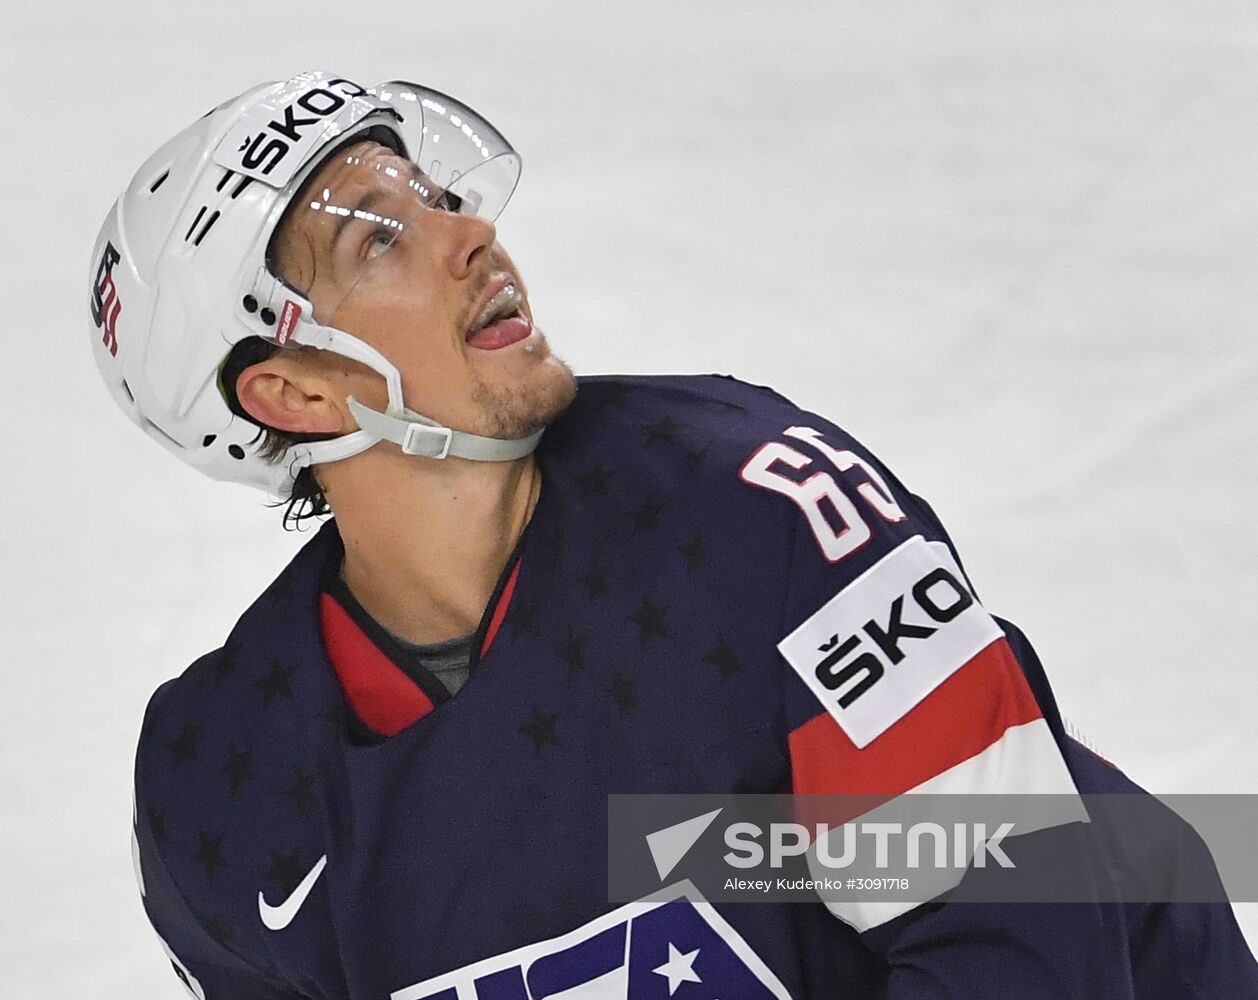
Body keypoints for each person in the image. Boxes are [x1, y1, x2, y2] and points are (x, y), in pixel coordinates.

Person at [92, 71, 1257, 999]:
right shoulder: (221, 792)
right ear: (293, 396)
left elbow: (1026, 935)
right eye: (379, 240)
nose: (471, 237)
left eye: (439, 199)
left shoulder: (763, 513)